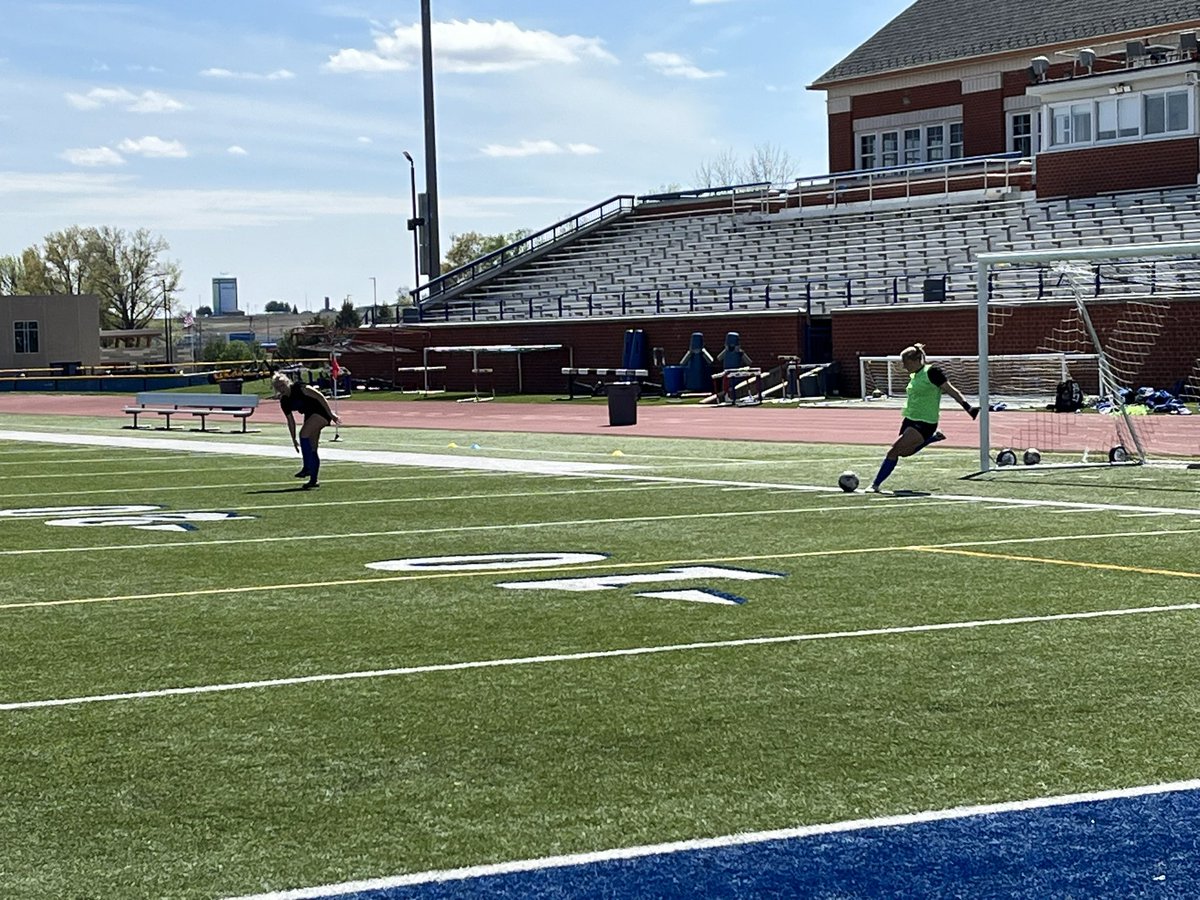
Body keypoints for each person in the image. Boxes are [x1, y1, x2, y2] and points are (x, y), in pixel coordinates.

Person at [867, 343, 979, 493]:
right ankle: (931, 438)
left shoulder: (932, 372)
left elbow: (951, 390)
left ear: (915, 360)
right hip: (910, 419)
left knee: (893, 452)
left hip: (925, 421)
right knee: (905, 452)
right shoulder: (915, 375)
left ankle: (875, 485)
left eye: (905, 363)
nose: (904, 367)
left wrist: (967, 407)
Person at [272, 372, 338, 490]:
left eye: (282, 385)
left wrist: (331, 414)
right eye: (277, 387)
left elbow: (320, 397)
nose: (281, 388)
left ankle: (307, 467)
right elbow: (290, 421)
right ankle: (313, 480)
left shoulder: (301, 388)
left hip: (320, 412)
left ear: (287, 382)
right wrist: (293, 440)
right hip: (310, 415)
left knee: (303, 434)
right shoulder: (284, 401)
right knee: (312, 447)